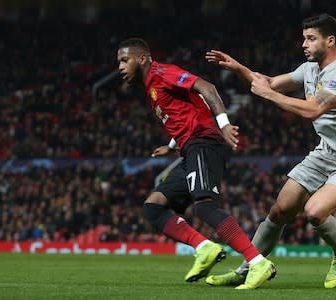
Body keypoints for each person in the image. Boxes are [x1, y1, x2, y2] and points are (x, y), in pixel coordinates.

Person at [205, 14, 336, 288]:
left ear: (330, 41)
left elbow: (314, 109)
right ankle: (246, 268)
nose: (304, 44)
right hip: (325, 152)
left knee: (314, 212)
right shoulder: (308, 69)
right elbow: (268, 83)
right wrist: (238, 68)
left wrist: (269, 94)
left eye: (311, 39)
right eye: (304, 38)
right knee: (280, 210)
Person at [117, 37, 276, 290]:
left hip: (204, 143)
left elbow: (207, 88)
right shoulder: (151, 87)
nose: (121, 67)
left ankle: (257, 262)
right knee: (153, 207)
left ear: (142, 58)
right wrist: (170, 146)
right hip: (190, 148)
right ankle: (204, 247)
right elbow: (183, 116)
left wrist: (224, 125)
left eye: (125, 60)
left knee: (204, 206)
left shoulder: (162, 72)